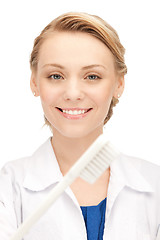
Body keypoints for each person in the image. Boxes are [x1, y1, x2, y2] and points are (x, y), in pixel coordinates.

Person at [0, 12, 160, 240]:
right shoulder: (7, 188)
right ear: (34, 82)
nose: (73, 94)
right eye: (56, 76)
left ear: (119, 84)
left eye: (92, 76)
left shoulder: (155, 186)